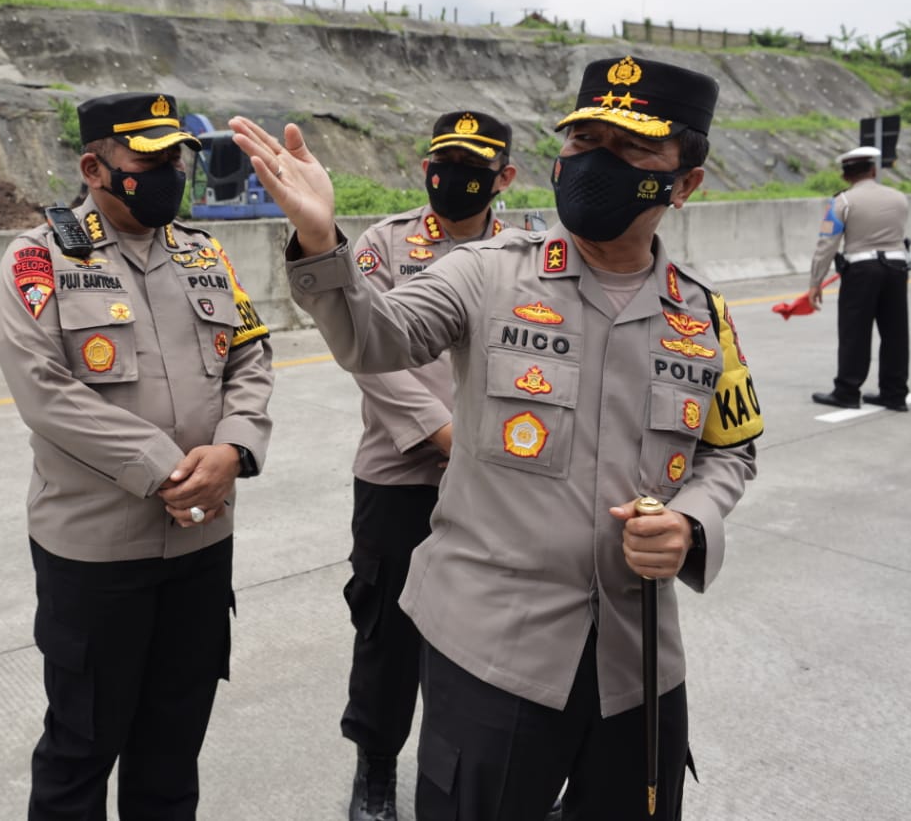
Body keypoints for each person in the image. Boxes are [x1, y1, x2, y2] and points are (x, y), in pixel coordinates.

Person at [230, 55, 763, 821]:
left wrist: (693, 521)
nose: (596, 165)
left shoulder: (702, 317)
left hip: (636, 658)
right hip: (493, 654)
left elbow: (730, 448)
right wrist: (321, 243)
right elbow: (377, 339)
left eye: (631, 150)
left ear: (685, 183)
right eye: (584, 143)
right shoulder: (487, 273)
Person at [0, 91, 275, 820]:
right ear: (94, 166)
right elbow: (44, 392)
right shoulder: (38, 260)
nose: (171, 173)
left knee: (172, 751)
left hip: (201, 548)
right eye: (149, 162)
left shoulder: (205, 253)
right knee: (81, 751)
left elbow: (251, 356)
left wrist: (234, 447)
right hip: (95, 559)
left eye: (175, 158)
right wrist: (166, 466)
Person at [341, 110, 516, 821]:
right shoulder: (383, 244)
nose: (454, 175)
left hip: (499, 482)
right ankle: (375, 774)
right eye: (444, 160)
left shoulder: (531, 254)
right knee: (387, 633)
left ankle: (470, 774)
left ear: (504, 177)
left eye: (474, 165)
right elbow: (368, 354)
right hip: (401, 474)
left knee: (489, 636)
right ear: (425, 167)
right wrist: (443, 433)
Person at [807, 145, 910, 411]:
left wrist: (815, 282)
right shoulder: (899, 198)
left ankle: (847, 392)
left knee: (855, 332)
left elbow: (827, 244)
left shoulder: (842, 202)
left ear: (845, 176)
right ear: (873, 170)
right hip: (897, 269)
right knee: (895, 333)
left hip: (862, 272)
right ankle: (895, 394)